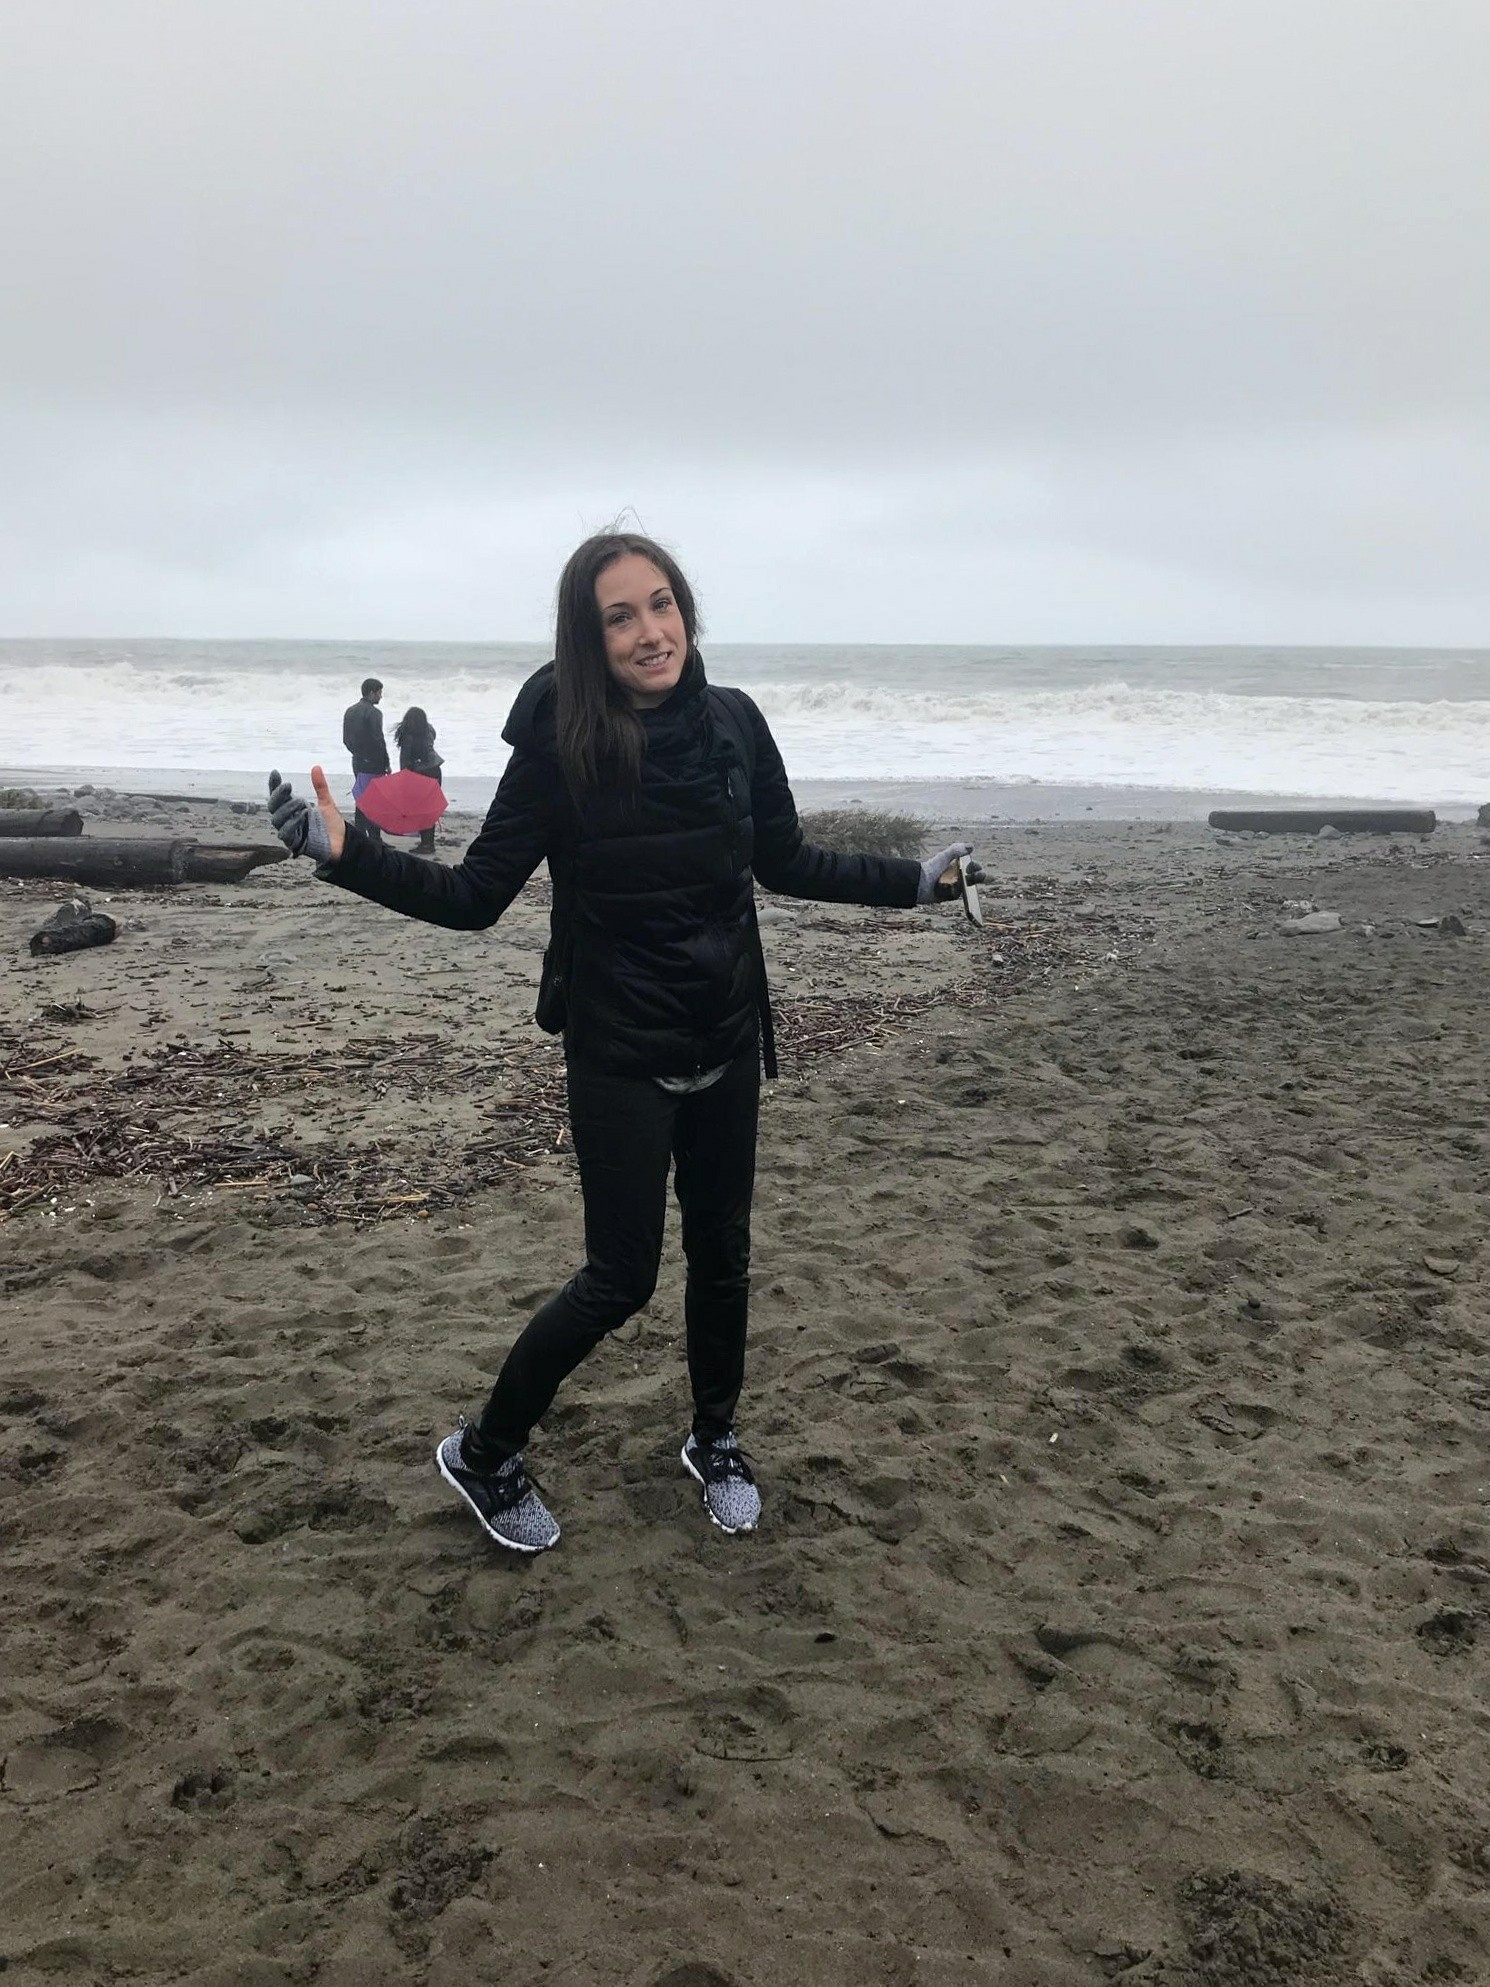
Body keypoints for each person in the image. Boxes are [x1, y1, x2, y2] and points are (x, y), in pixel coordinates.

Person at [268, 531, 972, 1555]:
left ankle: (716, 1440)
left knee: (722, 1255)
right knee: (620, 1275)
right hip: (619, 1050)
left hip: (727, 1035)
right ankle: (484, 1448)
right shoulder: (562, 742)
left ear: (686, 609)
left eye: (660, 605)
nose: (650, 632)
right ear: (589, 638)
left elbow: (783, 859)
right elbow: (473, 896)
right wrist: (350, 855)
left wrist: (918, 883)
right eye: (619, 616)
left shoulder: (734, 722)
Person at [342, 676, 390, 841]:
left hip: (357, 760)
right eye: (379, 693)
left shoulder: (350, 711)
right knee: (374, 801)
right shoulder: (374, 713)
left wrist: (357, 753)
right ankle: (375, 839)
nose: (380, 696)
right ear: (371, 693)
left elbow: (346, 740)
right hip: (374, 762)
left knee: (361, 798)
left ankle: (360, 836)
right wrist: (386, 763)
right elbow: (378, 739)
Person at [393, 705, 444, 855]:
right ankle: (429, 843)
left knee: (420, 810)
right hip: (435, 770)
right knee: (429, 810)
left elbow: (405, 758)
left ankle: (426, 844)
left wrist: (404, 777)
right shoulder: (429, 729)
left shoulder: (408, 734)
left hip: (419, 773)